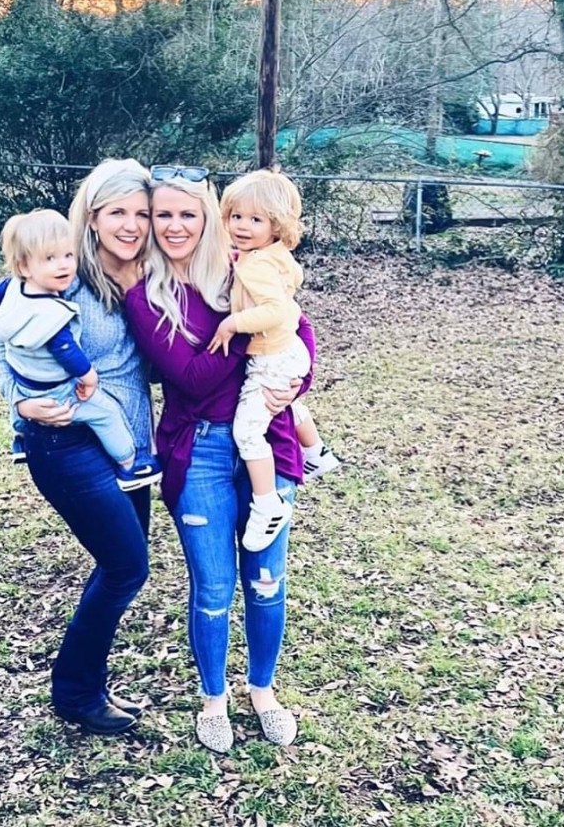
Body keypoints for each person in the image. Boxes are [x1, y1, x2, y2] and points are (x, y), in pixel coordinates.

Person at [125, 164, 316, 753]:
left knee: (266, 581)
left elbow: (299, 328)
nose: (176, 225)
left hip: (268, 442)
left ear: (207, 216)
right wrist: (252, 342)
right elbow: (191, 376)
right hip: (201, 448)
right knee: (213, 588)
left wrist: (294, 381)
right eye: (163, 215)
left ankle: (263, 691)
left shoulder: (242, 266)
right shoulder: (146, 296)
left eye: (188, 213)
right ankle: (214, 698)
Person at [0, 160, 155, 736]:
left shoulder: (152, 274)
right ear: (93, 216)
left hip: (130, 441)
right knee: (126, 566)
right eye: (117, 212)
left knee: (120, 564)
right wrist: (19, 401)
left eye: (141, 213)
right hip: (66, 441)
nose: (131, 225)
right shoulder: (63, 274)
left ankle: (87, 683)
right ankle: (76, 692)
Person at [0, 208, 160, 489]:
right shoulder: (54, 309)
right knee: (106, 415)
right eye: (50, 259)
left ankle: (19, 435)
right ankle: (130, 462)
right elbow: (66, 350)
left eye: (68, 256)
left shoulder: (18, 287)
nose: (63, 265)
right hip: (62, 395)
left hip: (30, 379)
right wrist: (89, 377)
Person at [208, 170, 337, 551]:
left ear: (276, 225)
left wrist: (233, 322)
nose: (242, 226)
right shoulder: (273, 255)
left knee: (248, 431)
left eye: (255, 219)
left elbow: (274, 311)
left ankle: (267, 504)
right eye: (236, 216)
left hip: (272, 355)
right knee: (287, 402)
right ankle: (316, 452)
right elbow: (291, 288)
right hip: (289, 350)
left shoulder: (256, 265)